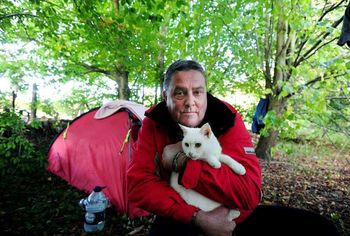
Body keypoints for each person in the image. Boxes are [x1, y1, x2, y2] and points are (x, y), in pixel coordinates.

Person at [127, 59, 339, 236]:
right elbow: (139, 185)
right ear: (166, 96)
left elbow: (248, 193)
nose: (190, 102)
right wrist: (196, 217)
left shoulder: (225, 118)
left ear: (205, 93)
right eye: (180, 93)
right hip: (181, 213)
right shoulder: (153, 122)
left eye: (198, 92)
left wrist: (182, 162)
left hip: (236, 217)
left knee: (321, 228)